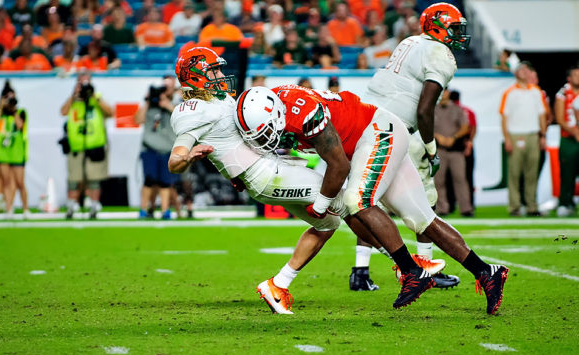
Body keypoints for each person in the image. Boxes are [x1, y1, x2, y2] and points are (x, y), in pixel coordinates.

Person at [168, 47, 443, 314]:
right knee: (349, 202)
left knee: (327, 223)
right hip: (265, 174)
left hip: (269, 169)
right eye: (213, 70)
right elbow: (175, 159)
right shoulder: (191, 111)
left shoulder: (218, 100)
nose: (219, 75)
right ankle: (408, 266)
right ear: (195, 76)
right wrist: (188, 156)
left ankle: (277, 285)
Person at [240, 83, 510, 315]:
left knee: (357, 200)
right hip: (374, 137)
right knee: (422, 219)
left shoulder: (304, 114)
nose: (267, 139)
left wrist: (321, 205)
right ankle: (487, 272)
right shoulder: (269, 103)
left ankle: (410, 271)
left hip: (377, 133)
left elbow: (339, 167)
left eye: (266, 132)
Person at [362, 2, 471, 289]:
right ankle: (425, 267)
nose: (458, 34)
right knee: (426, 201)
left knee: (364, 200)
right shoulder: (439, 53)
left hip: (369, 123)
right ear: (438, 25)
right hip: (398, 131)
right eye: (455, 27)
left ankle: (360, 270)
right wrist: (431, 147)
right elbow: (424, 110)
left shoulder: (409, 42)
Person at [60, 73, 113, 219]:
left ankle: (94, 206)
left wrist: (95, 96)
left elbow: (110, 112)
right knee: (74, 178)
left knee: (94, 179)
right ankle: (71, 206)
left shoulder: (96, 99)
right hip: (76, 146)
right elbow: (63, 112)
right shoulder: (74, 101)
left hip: (95, 145)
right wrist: (73, 95)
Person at [499, 61, 546, 216]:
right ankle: (515, 206)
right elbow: (504, 117)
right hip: (515, 134)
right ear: (516, 73)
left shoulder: (536, 91)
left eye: (527, 70)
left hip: (533, 133)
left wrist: (542, 136)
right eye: (522, 70)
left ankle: (532, 206)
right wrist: (507, 138)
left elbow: (542, 115)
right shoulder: (509, 92)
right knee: (514, 173)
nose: (525, 72)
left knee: (532, 173)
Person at [135, 76, 178, 219]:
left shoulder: (176, 104)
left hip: (167, 148)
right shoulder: (150, 105)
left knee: (165, 182)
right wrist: (148, 101)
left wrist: (167, 105)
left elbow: (181, 118)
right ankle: (143, 209)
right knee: (149, 179)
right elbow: (138, 120)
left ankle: (165, 210)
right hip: (150, 148)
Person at [0, 81, 29, 218]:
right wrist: (0, 108)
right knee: (6, 181)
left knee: (20, 182)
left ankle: (25, 209)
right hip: (3, 152)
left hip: (17, 152)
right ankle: (9, 208)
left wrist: (13, 111)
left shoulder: (21, 112)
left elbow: (20, 126)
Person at [433, 87, 472, 216]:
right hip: (439, 149)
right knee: (438, 180)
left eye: (445, 91)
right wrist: (439, 137)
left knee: (460, 179)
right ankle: (442, 208)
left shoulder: (457, 109)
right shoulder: (432, 109)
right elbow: (425, 126)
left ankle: (466, 209)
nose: (443, 94)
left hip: (455, 149)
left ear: (448, 93)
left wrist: (453, 138)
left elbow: (465, 127)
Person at [554, 64, 579, 217]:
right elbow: (560, 118)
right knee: (567, 172)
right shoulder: (563, 93)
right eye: (576, 75)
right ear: (569, 78)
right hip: (568, 138)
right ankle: (565, 202)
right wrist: (575, 132)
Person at [450, 89, 477, 209]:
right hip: (465, 145)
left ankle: (450, 205)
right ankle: (469, 204)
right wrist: (470, 142)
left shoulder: (449, 110)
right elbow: (473, 127)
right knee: (467, 177)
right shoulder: (468, 111)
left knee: (448, 178)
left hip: (452, 146)